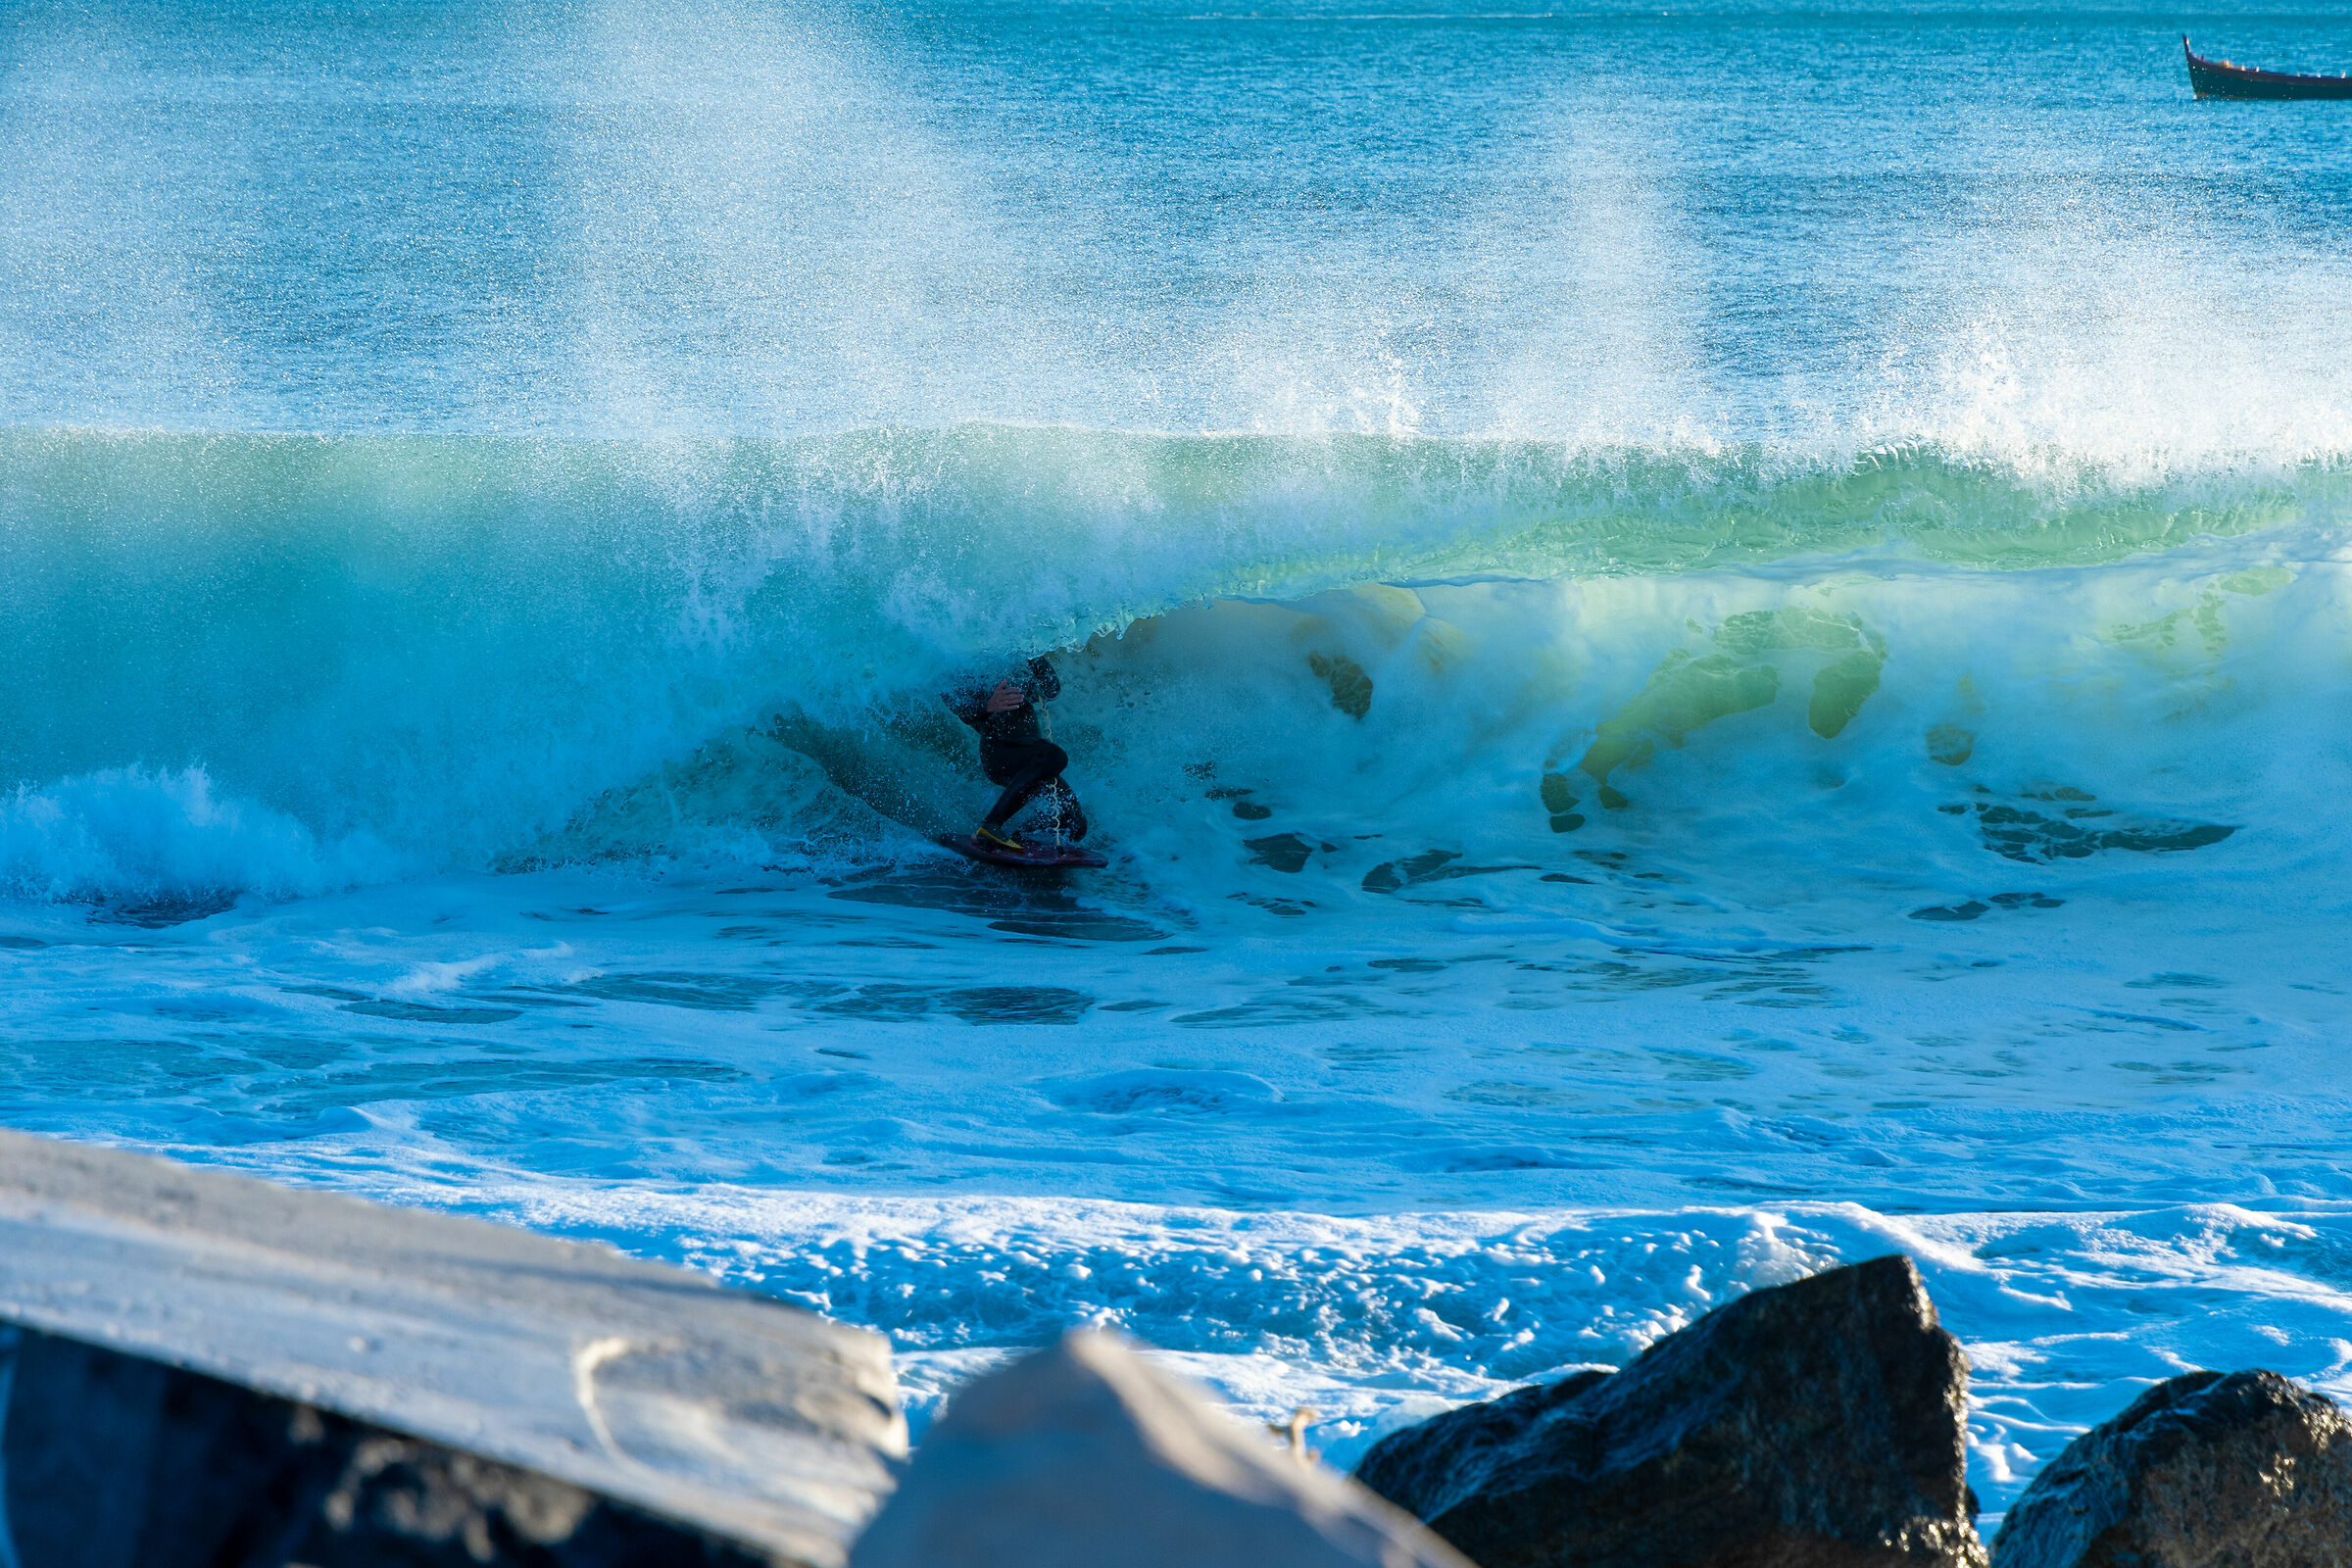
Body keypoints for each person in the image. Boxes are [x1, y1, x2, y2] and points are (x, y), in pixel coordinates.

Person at [944, 656, 1088, 852]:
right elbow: (956, 704)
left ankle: (1018, 837)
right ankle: (991, 825)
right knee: (1055, 756)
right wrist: (988, 706)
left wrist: (1034, 652)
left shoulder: (1013, 656)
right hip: (1002, 754)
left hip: (1034, 759)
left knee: (1075, 825)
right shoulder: (966, 655)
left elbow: (1051, 690)